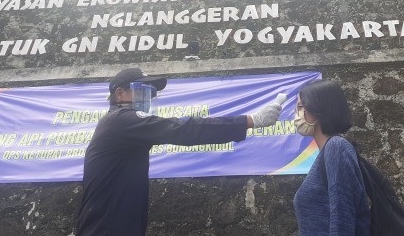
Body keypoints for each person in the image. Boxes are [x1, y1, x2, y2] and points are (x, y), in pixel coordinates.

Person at [76, 68, 282, 236]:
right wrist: (250, 120)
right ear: (120, 94)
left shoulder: (123, 127)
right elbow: (183, 130)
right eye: (142, 91)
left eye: (152, 93)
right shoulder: (119, 120)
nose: (148, 98)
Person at [292, 80, 371, 235]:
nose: (298, 113)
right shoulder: (328, 151)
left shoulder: (336, 147)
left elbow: (342, 217)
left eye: (301, 107)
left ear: (317, 109)